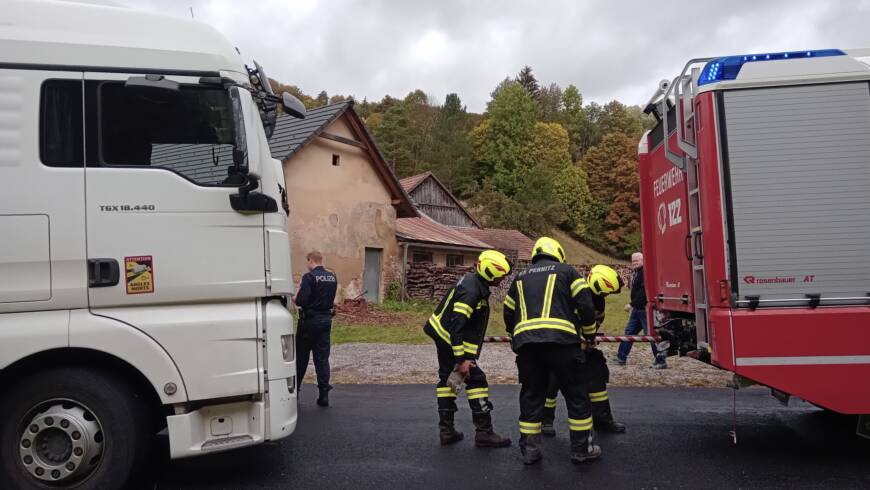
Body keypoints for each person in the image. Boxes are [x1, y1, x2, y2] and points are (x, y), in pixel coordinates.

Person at [503, 236, 601, 465]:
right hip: (563, 345)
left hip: (528, 347)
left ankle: (530, 450)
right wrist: (589, 335)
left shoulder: (519, 277)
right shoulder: (567, 271)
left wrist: (514, 335)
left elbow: (508, 312)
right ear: (558, 252)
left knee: (531, 396)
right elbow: (585, 305)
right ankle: (582, 449)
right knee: (576, 395)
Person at [423, 249, 512, 448]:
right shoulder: (472, 292)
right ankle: (484, 433)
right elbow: (457, 325)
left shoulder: (475, 283)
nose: (503, 279)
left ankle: (447, 431)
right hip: (449, 339)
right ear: (491, 273)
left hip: (444, 337)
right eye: (501, 275)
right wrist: (462, 359)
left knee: (447, 379)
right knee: (477, 380)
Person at [540, 265, 627, 437]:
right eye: (604, 292)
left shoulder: (598, 300)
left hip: (584, 347)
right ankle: (546, 421)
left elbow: (596, 321)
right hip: (565, 347)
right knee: (553, 382)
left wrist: (589, 340)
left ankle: (603, 420)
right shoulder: (575, 295)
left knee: (597, 378)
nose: (605, 296)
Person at [294, 250, 338, 407]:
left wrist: (295, 297)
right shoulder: (332, 277)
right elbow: (331, 300)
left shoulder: (309, 277)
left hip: (309, 322)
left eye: (307, 262)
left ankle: (295, 391)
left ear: (310, 260)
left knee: (301, 358)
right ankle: (324, 394)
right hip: (325, 321)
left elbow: (301, 301)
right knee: (322, 359)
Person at [616, 252, 667, 369]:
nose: (634, 263)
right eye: (633, 261)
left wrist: (631, 304)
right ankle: (621, 357)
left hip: (644, 310)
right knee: (629, 333)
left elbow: (644, 293)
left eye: (637, 260)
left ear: (643, 260)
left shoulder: (645, 272)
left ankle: (661, 360)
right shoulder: (638, 272)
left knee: (651, 335)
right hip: (637, 310)